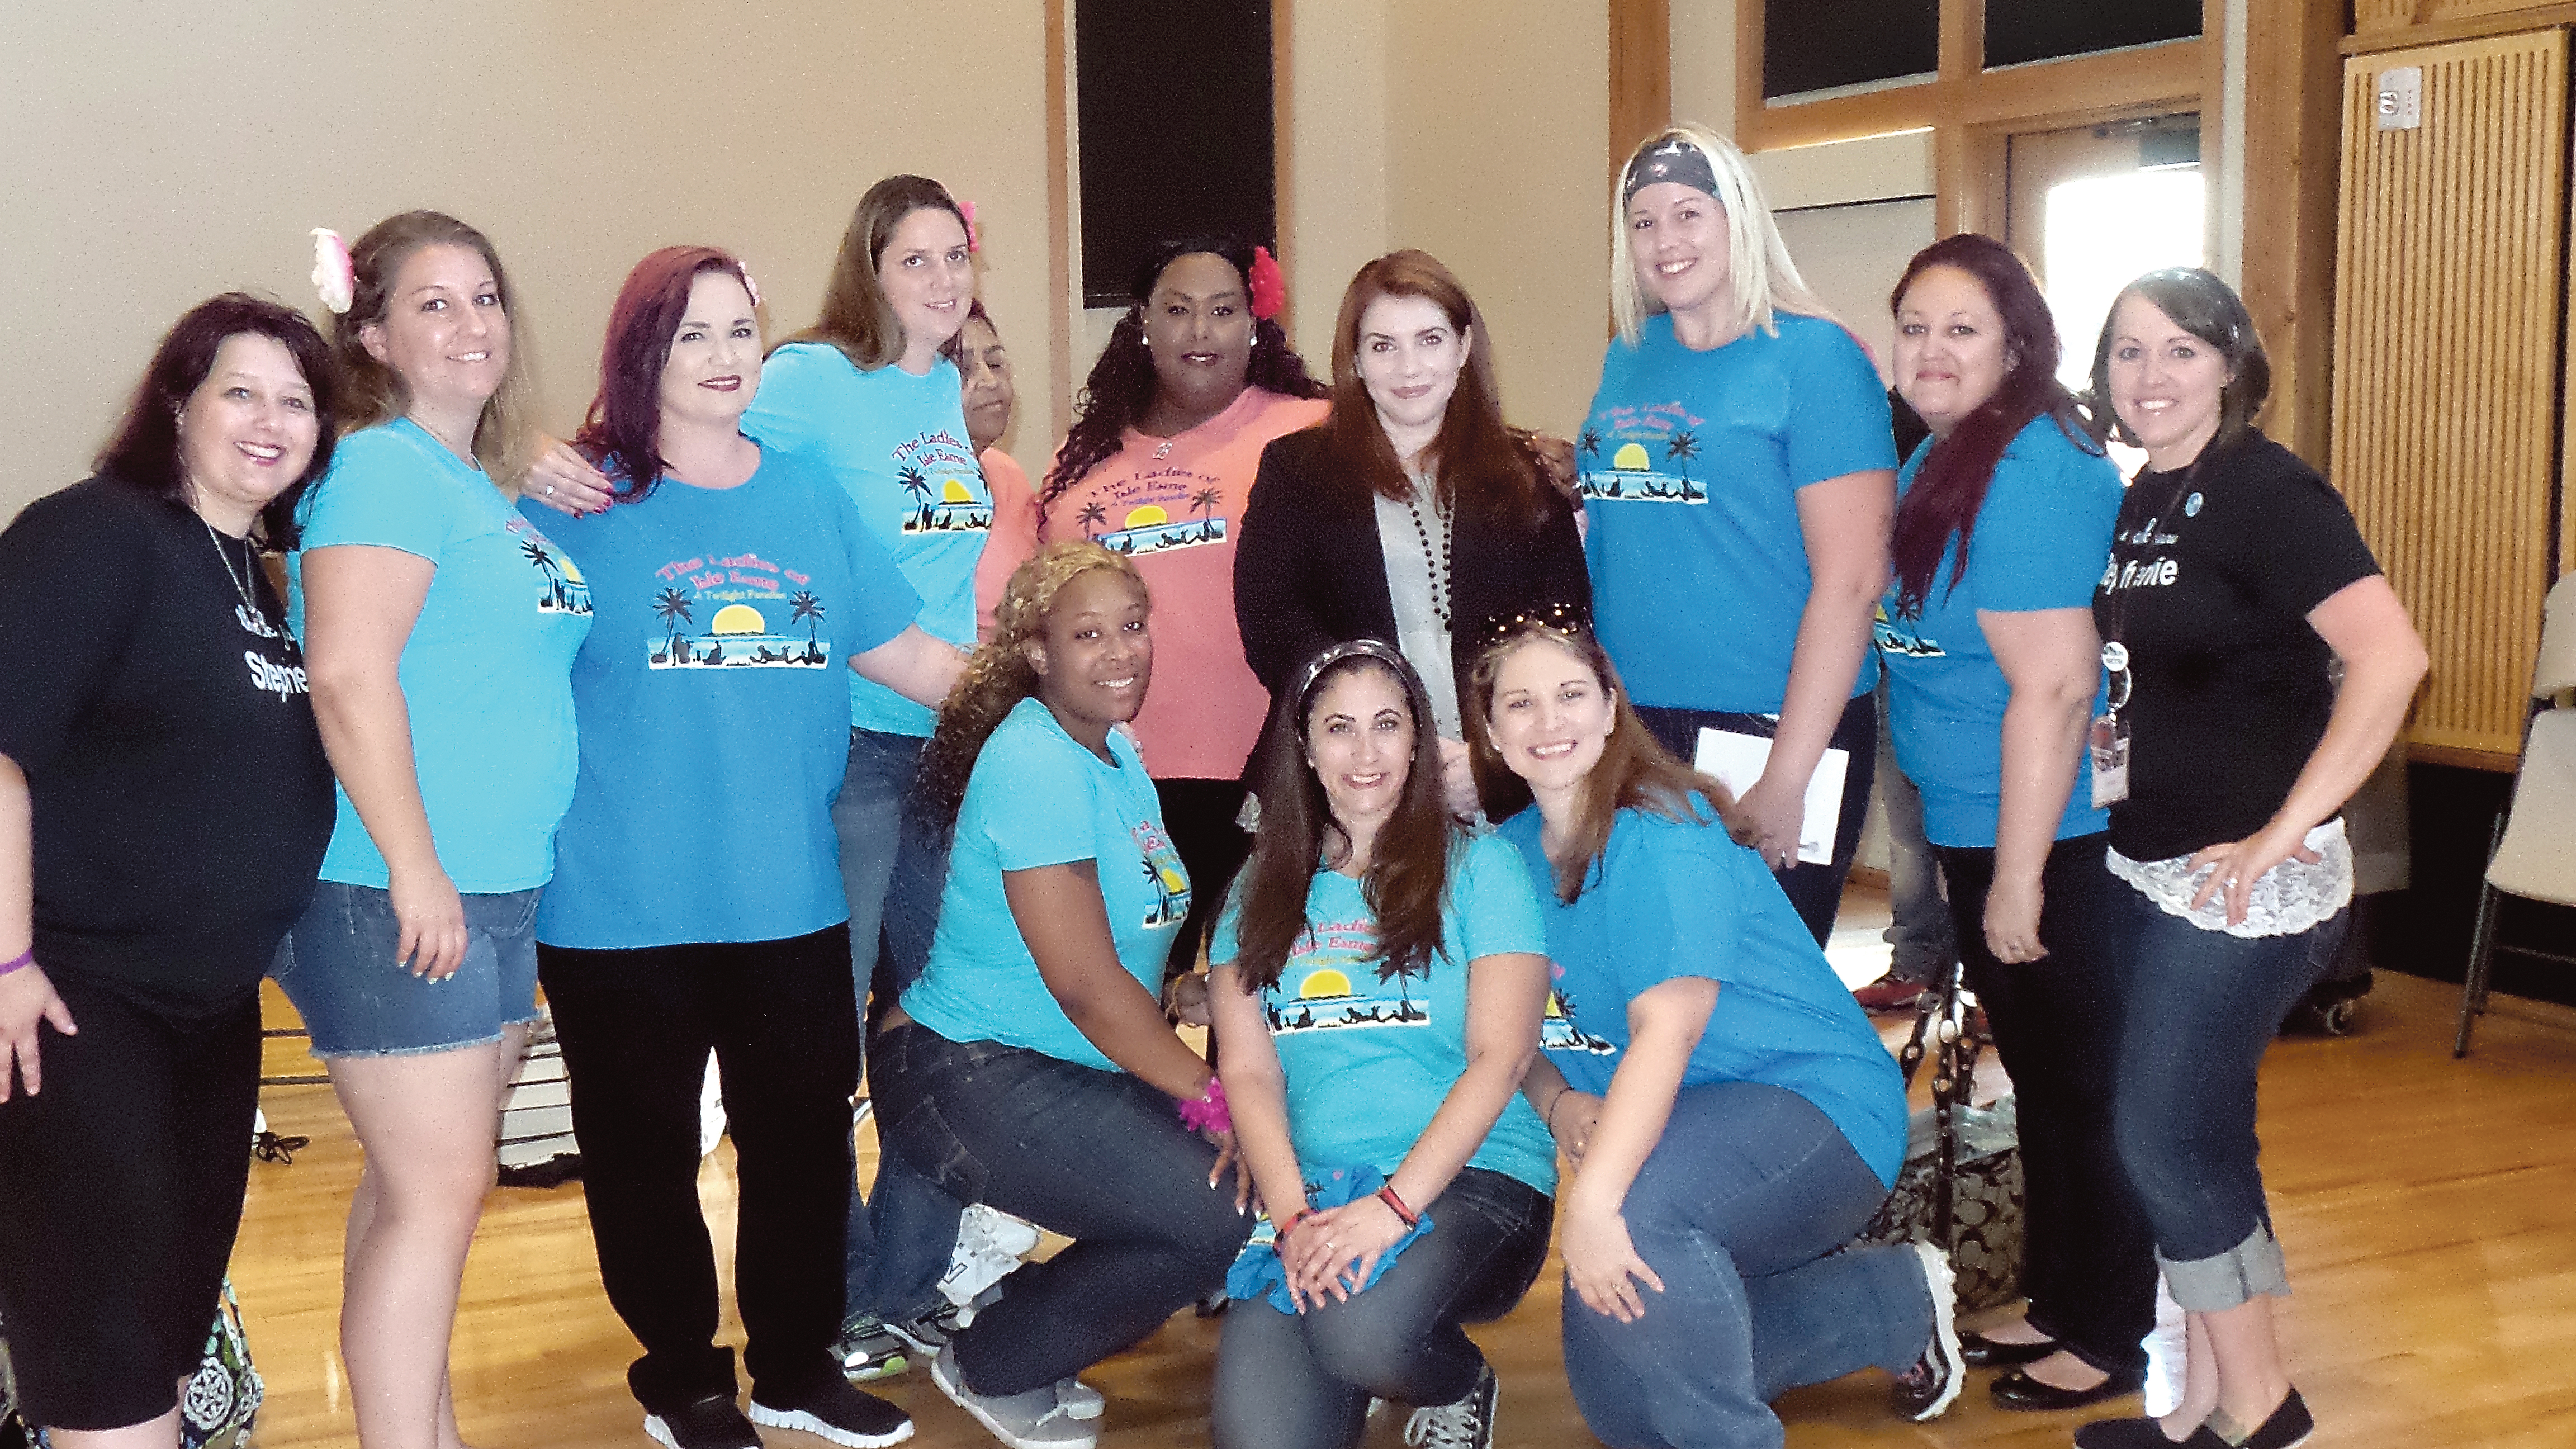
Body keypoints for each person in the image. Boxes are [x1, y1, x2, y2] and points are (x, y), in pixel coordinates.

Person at [534, 176, 992, 1374]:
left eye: (741, 329)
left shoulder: (807, 495)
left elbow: (910, 654)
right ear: (644, 352)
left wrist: (1056, 695)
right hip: (617, 908)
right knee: (640, 1157)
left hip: (787, 896)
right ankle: (681, 1370)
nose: (727, 355)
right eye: (693, 334)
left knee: (797, 1144)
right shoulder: (581, 500)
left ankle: (797, 1365)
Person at [2074, 270, 2426, 1449]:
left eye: (2180, 350)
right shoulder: (2147, 498)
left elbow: (2391, 660)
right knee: (2202, 1135)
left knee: (2162, 1138)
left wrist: (2287, 829)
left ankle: (2260, 1408)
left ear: (2231, 363)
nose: (2152, 376)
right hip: (2147, 870)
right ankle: (2224, 1405)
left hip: (2245, 890)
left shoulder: (2271, 493)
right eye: (2129, 352)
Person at [1469, 609, 1961, 1449]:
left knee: (1639, 1217)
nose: (1549, 722)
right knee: (1620, 1404)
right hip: (1671, 1127)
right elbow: (1505, 1041)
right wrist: (1557, 1108)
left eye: (1571, 694)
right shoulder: (1498, 860)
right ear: (1488, 731)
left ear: (1612, 704)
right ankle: (1891, 1302)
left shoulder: (1664, 830)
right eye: (1520, 705)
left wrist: (1593, 1202)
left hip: (1812, 1104)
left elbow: (1668, 1027)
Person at [273, 210, 589, 1449]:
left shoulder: (467, 484)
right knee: (441, 1190)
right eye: (434, 303)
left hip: (495, 888)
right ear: (374, 335)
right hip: (395, 887)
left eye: (486, 298)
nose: (472, 324)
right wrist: (414, 867)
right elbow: (347, 676)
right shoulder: (382, 466)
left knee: (414, 1190)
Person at [0, 295, 338, 1449]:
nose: (270, 420)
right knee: (102, 1343)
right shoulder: (98, 533)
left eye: (297, 401)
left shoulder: (255, 577)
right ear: (177, 405)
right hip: (80, 999)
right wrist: (7, 962)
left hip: (207, 1013)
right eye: (240, 391)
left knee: (166, 1327)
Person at [872, 542, 1254, 1449]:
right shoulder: (1035, 760)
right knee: (1209, 1209)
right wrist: (1214, 1098)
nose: (1122, 651)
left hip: (1048, 1062)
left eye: (1131, 626)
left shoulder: (1111, 749)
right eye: (1089, 634)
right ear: (1038, 652)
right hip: (962, 1070)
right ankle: (994, 1359)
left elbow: (1118, 939)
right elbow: (1083, 984)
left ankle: (1011, 1312)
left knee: (1223, 1199)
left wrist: (1185, 989)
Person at [1873, 234, 2156, 1411]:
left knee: (2085, 1083)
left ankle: (2112, 1331)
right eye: (1916, 327)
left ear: (2017, 344)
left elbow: (2050, 685)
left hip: (2051, 834)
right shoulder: (1946, 453)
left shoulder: (2037, 467)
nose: (1933, 351)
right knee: (2038, 1071)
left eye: (1962, 330)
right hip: (1976, 818)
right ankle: (2058, 1298)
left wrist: (2020, 878)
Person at [1205, 640, 1555, 1449]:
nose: (1365, 753)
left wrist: (1393, 1210)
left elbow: (1499, 1059)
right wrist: (1294, 1221)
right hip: (1317, 1194)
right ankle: (1357, 1349)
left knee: (1366, 1333)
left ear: (1418, 740)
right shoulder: (1257, 893)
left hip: (1472, 1182)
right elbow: (1250, 1073)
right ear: (1306, 748)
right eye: (1339, 728)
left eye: (1388, 725)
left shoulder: (1483, 871)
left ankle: (1456, 1381)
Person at [1574, 124, 1896, 945]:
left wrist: (1788, 776)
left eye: (1688, 213)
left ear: (1739, 219)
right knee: (1651, 977)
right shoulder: (1631, 355)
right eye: (1643, 222)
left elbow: (1854, 582)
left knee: (1763, 988)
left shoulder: (1817, 359)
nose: (1665, 241)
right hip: (1638, 725)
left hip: (1772, 724)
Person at [1035, 236, 1330, 986]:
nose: (1200, 332)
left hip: (1271, 776)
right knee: (1128, 1004)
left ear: (1255, 324)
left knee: (1253, 1000)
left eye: (1223, 311)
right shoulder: (1083, 460)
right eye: (1177, 311)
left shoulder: (1314, 431)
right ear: (1142, 324)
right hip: (1118, 775)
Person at [1234, 249, 1590, 822]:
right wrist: (1387, 752)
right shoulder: (1296, 471)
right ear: (1355, 358)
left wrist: (1494, 765)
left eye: (1429, 340)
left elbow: (1562, 635)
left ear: (1463, 347)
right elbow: (1273, 630)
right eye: (1383, 346)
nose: (1409, 369)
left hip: (1502, 781)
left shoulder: (1525, 476)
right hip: (1346, 786)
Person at [963, 301, 1036, 636]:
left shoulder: (1006, 473)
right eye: (963, 369)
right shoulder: (894, 482)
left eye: (995, 362)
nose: (989, 381)